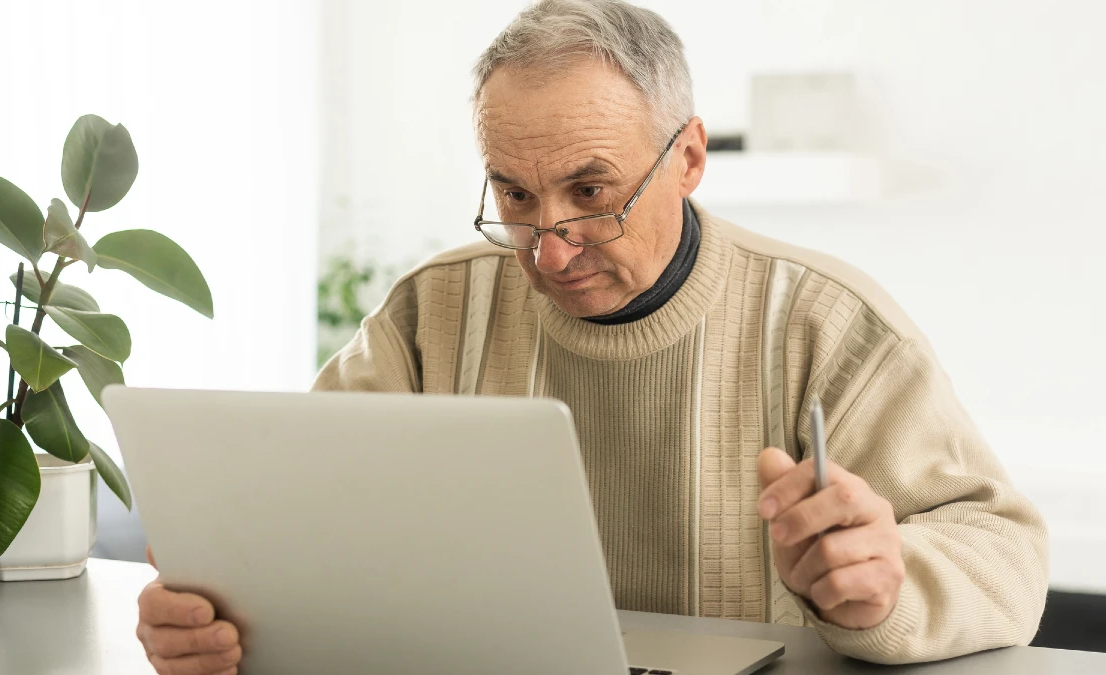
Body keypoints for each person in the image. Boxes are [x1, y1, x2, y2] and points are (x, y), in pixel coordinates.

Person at [134, 1, 1048, 671]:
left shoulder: (830, 322)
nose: (551, 244)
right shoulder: (430, 311)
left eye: (592, 191)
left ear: (688, 158)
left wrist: (889, 579)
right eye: (514, 195)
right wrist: (219, 608)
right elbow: (298, 524)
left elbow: (1004, 554)